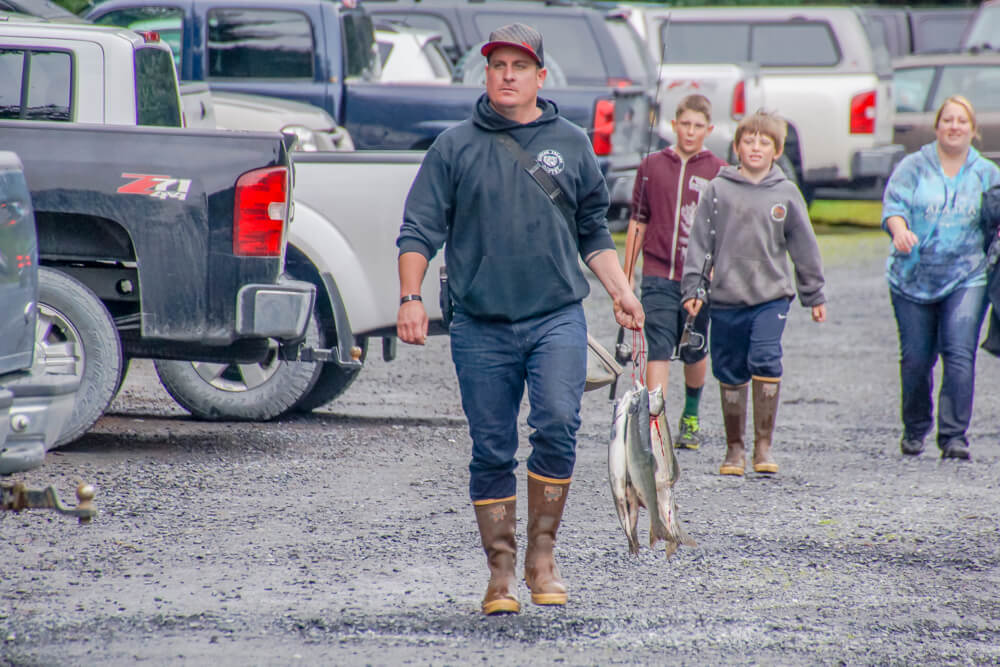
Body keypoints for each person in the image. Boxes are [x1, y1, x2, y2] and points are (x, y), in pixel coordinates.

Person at [395, 23, 643, 616]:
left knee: (557, 426)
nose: (507, 74)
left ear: (540, 76)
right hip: (480, 324)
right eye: (497, 65)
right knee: (491, 447)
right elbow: (418, 229)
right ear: (486, 74)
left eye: (519, 65)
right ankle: (501, 571)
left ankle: (543, 558)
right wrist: (410, 297)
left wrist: (621, 290)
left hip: (557, 316)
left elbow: (592, 231)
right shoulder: (453, 146)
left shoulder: (572, 142)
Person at [681, 109, 826, 476]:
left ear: (776, 150)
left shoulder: (786, 193)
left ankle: (763, 446)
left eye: (764, 142)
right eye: (749, 141)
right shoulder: (718, 189)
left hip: (771, 296)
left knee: (765, 359)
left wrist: (814, 294)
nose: (756, 147)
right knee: (729, 369)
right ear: (737, 146)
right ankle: (735, 449)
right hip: (727, 296)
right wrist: (694, 286)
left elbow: (803, 246)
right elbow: (701, 242)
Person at [881, 95, 1000, 460]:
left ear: (973, 130)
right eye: (947, 120)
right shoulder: (913, 167)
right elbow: (893, 208)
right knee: (916, 358)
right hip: (912, 275)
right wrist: (899, 231)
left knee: (959, 352)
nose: (954, 126)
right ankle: (915, 429)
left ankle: (953, 436)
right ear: (936, 127)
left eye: (961, 121)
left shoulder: (987, 173)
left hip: (967, 275)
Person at [623, 94, 727, 450]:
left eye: (698, 126)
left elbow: (724, 229)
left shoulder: (719, 171)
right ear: (674, 124)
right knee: (659, 346)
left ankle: (691, 414)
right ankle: (656, 425)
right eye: (685, 124)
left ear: (709, 130)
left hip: (698, 279)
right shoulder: (651, 166)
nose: (691, 131)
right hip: (656, 274)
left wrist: (715, 273)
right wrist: (628, 274)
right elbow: (638, 221)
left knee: (695, 350)